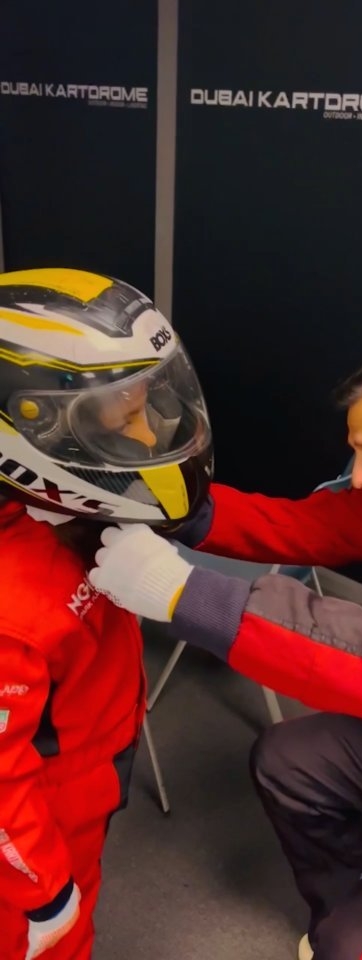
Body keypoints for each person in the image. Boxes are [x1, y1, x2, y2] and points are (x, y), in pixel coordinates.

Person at [90, 335, 362, 960]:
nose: (358, 476)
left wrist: (185, 594)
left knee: (356, 951)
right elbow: (305, 527)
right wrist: (174, 512)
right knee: (289, 762)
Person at [0, 267, 212, 958]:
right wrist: (44, 894)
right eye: (123, 424)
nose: (149, 440)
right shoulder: (13, 607)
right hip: (35, 836)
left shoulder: (60, 516)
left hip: (85, 776)